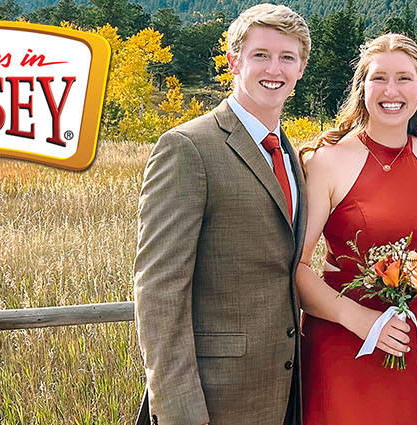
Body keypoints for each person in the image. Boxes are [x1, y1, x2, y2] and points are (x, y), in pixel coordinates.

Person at [133, 4, 311, 425]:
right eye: (261, 55)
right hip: (214, 396)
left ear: (301, 68)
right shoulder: (187, 147)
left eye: (287, 57)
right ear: (233, 62)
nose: (275, 68)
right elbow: (158, 289)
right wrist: (178, 409)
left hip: (285, 389)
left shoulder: (292, 154)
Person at [291, 33, 417, 425]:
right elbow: (299, 267)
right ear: (361, 89)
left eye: (404, 79)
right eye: (379, 78)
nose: (391, 91)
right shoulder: (328, 161)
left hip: (414, 340)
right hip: (343, 344)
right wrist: (359, 320)